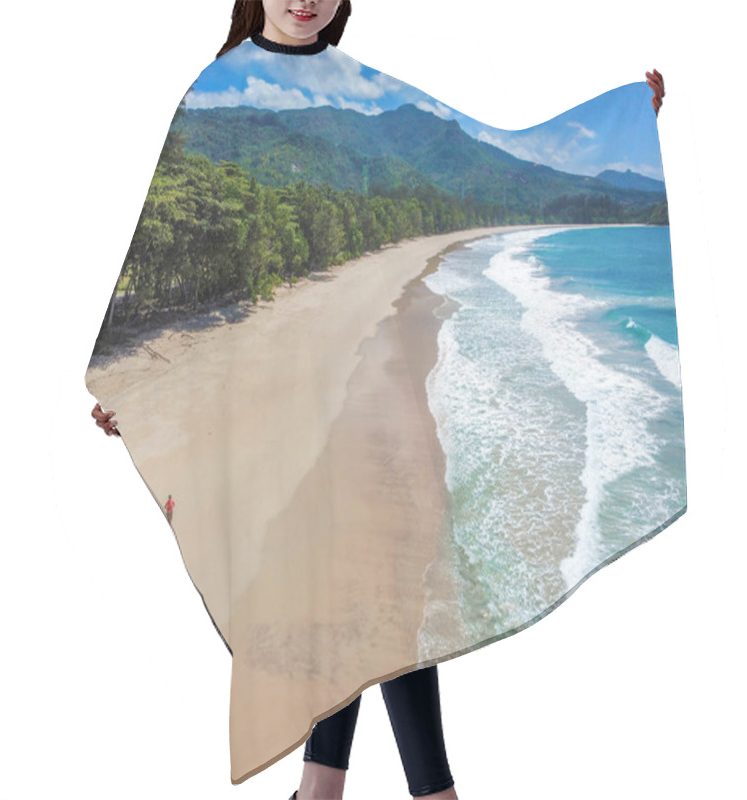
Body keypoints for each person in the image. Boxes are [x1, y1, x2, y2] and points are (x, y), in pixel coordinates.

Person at [91, 2, 666, 797]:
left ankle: (328, 789)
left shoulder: (358, 86)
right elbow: (169, 243)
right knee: (370, 589)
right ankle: (416, 792)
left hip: (362, 381)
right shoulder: (216, 86)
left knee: (368, 590)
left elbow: (505, 145)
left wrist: (629, 118)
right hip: (280, 388)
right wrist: (124, 385)